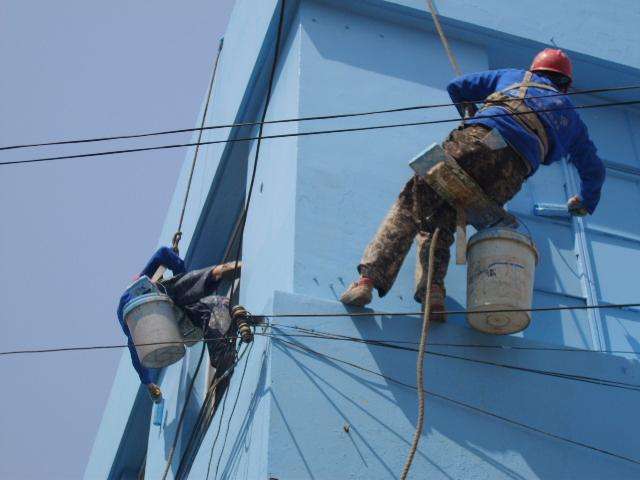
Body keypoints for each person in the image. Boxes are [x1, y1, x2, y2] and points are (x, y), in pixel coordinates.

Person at [340, 49, 606, 321]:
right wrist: (585, 203)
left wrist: (470, 112)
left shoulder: (516, 76)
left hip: (480, 141)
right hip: (510, 177)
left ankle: (367, 281)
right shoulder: (572, 119)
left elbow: (457, 87)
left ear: (535, 70)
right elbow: (594, 169)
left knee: (413, 202)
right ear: (566, 85)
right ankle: (433, 290)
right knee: (445, 217)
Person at [117, 247, 240, 402]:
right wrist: (178, 269)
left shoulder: (134, 331)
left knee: (200, 305)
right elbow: (163, 254)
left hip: (168, 314)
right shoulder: (146, 288)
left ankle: (221, 357)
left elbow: (137, 360)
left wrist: (148, 383)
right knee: (206, 304)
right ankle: (215, 273)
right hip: (171, 306)